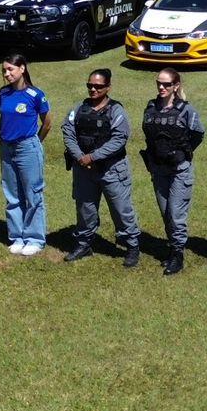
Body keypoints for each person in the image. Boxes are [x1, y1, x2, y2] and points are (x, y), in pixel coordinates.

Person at [62, 68, 141, 264]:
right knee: (84, 208)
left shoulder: (116, 111)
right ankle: (83, 244)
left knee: (121, 209)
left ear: (108, 87)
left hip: (112, 170)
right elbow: (68, 132)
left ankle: (131, 246)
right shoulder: (78, 109)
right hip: (84, 170)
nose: (93, 89)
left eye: (98, 86)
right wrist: (81, 157)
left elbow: (119, 139)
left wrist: (93, 157)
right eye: (89, 85)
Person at [140, 67, 205, 275]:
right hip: (158, 170)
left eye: (166, 84)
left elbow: (198, 134)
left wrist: (182, 152)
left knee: (176, 214)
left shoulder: (187, 111)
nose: (161, 87)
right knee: (166, 212)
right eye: (159, 83)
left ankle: (177, 254)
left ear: (176, 86)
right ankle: (172, 246)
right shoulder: (150, 107)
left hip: (180, 170)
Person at [0, 53, 53, 255]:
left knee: (32, 193)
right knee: (12, 194)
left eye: (10, 69)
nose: (7, 73)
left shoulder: (36, 95)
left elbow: (47, 123)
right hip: (6, 147)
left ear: (22, 68)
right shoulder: (3, 93)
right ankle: (17, 236)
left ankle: (35, 238)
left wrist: (35, 141)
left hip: (27, 147)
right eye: (4, 70)